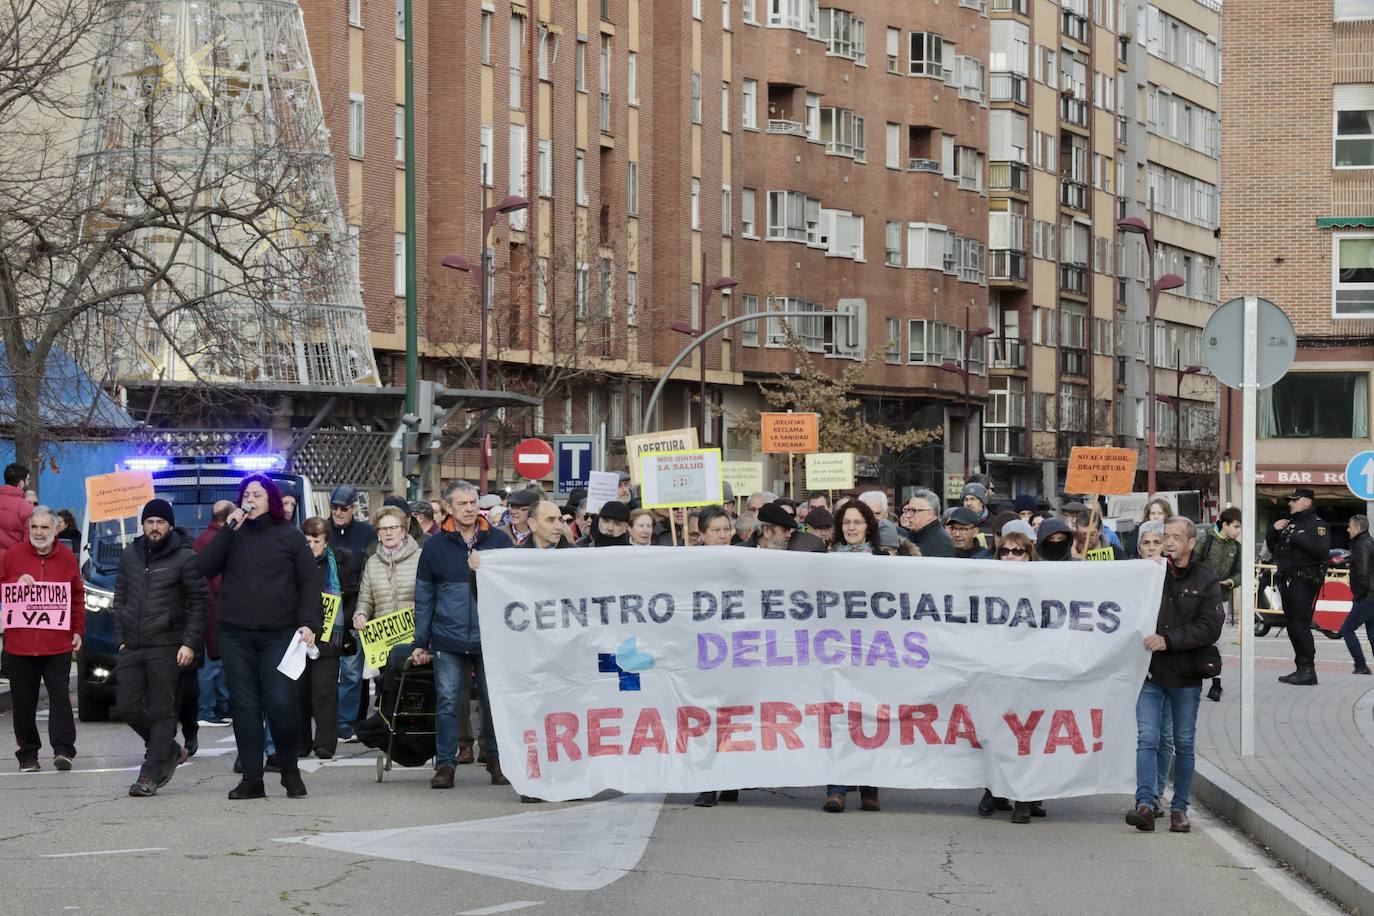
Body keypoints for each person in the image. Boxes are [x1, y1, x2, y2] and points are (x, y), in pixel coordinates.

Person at [196, 474, 321, 800]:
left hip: (279, 635)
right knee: (245, 707)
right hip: (236, 634)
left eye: (257, 493)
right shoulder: (232, 534)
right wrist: (228, 528)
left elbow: (309, 582)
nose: (250, 498)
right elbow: (205, 567)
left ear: (271, 500)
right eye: (246, 494)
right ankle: (252, 778)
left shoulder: (290, 537)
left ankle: (288, 770)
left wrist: (309, 623)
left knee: (280, 703)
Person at [1126, 517, 1224, 834]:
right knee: (1147, 738)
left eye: (1176, 537)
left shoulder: (1207, 579)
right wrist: (1145, 569)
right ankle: (1145, 803)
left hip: (1185, 677)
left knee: (1183, 742)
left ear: (1192, 542)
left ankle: (1179, 809)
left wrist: (1168, 641)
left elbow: (1210, 627)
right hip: (1151, 675)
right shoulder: (1153, 573)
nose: (1168, 543)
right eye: (1165, 536)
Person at [413, 480, 512, 789]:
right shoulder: (434, 546)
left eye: (473, 502)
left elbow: (513, 589)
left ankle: (497, 761)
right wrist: (421, 641)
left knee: (493, 701)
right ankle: (446, 764)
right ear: (448, 509)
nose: (470, 508)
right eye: (462, 504)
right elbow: (424, 596)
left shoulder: (498, 541)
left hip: (491, 636)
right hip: (447, 636)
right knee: (447, 701)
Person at [114, 499, 209, 796]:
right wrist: (121, 635)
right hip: (132, 644)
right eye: (149, 522)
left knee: (161, 710)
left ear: (170, 525)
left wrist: (189, 643)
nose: (154, 527)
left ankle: (149, 775)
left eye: (160, 522)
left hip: (167, 645)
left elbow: (200, 603)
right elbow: (119, 598)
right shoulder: (129, 555)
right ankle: (168, 748)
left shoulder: (185, 558)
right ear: (143, 525)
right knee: (128, 706)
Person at [1, 507, 84, 772]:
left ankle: (63, 750)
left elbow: (77, 597)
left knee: (60, 698)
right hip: (19, 645)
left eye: (44, 528)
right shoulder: (12, 556)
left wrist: (77, 630)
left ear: (55, 529)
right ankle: (28, 754)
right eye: (34, 527)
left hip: (56, 644)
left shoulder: (68, 558)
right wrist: (15, 581)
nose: (38, 532)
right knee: (23, 703)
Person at [821, 499, 888, 814]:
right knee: (836, 717)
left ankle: (869, 787)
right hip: (835, 651)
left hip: (873, 651)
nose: (851, 528)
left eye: (857, 522)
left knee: (869, 716)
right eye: (846, 522)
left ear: (868, 527)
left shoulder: (884, 559)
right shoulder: (825, 561)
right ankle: (836, 788)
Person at [978, 522, 1045, 824]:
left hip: (1031, 672)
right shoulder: (986, 584)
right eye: (1004, 551)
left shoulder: (1045, 586)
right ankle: (994, 789)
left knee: (1027, 735)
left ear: (1030, 555)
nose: (1010, 556)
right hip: (996, 671)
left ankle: (1025, 798)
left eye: (1018, 551)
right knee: (995, 733)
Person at [299, 517, 358, 760]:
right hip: (300, 635)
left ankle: (325, 743)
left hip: (329, 637)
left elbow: (352, 596)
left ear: (326, 543)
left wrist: (340, 620)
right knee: (299, 693)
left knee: (324, 692)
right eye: (307, 541)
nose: (311, 545)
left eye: (316, 541)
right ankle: (300, 743)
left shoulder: (339, 564)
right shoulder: (294, 563)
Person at [1266, 487, 1330, 686]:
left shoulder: (1317, 524)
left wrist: (1297, 537)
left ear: (1307, 502)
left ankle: (1307, 669)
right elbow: (1273, 548)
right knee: (1293, 624)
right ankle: (1301, 668)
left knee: (1299, 624)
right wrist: (1273, 530)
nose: (1290, 503)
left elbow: (1321, 551)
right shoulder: (1291, 523)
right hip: (1288, 579)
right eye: (1290, 500)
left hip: (1304, 580)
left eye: (1295, 500)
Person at [328, 485, 375, 742]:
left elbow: (372, 569)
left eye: (343, 508)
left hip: (355, 608)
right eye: (334, 507)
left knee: (351, 670)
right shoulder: (323, 530)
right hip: (327, 609)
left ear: (354, 509)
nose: (337, 512)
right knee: (326, 670)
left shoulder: (366, 532)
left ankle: (346, 721)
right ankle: (331, 720)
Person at [1194, 507, 1242, 700]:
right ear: (1224, 525)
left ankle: (1217, 683)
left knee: (1217, 640)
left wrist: (1232, 581)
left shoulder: (1237, 548)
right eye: (1236, 526)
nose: (1238, 531)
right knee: (1195, 638)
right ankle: (1193, 680)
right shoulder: (1205, 541)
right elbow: (1192, 564)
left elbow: (1240, 572)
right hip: (1197, 598)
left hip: (1220, 599)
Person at [193, 501, 233, 727]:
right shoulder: (215, 540)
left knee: (216, 662)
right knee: (210, 664)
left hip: (209, 610)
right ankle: (206, 710)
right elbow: (217, 583)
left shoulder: (204, 538)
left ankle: (219, 706)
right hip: (212, 611)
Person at [1341, 515, 1374, 675]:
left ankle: (1360, 665)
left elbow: (1363, 574)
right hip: (1370, 595)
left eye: (1350, 526)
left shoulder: (1362, 546)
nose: (1348, 529)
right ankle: (1361, 666)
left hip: (1367, 597)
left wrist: (1359, 595)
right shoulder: (1366, 542)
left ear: (1358, 528)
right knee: (1373, 634)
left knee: (1346, 629)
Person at [899, 489, 955, 558]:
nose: (908, 515)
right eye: (907, 510)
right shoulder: (916, 534)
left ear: (929, 515)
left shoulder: (940, 545)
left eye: (913, 511)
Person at [0, 462, 34, 550]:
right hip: (11, 560)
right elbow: (27, 544)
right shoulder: (27, 508)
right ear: (21, 483)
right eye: (27, 480)